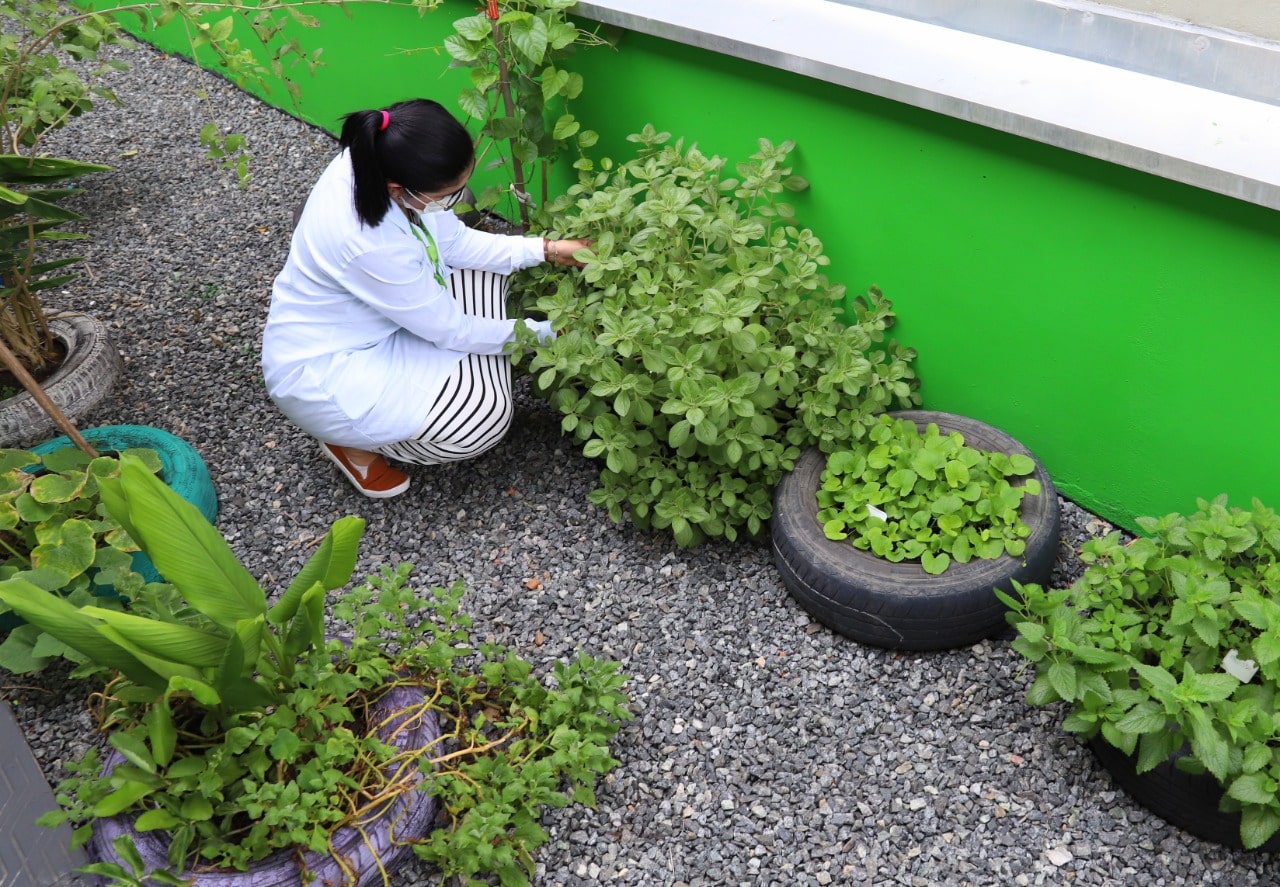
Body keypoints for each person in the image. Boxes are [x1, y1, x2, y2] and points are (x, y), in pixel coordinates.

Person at [261, 98, 590, 498]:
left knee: (489, 283)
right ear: (397, 190)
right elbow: (454, 330)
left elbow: (452, 241)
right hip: (329, 373)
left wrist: (549, 250)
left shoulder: (378, 158)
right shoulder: (368, 242)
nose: (455, 200)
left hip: (374, 324)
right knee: (484, 418)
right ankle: (348, 441)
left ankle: (435, 391)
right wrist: (556, 334)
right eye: (449, 194)